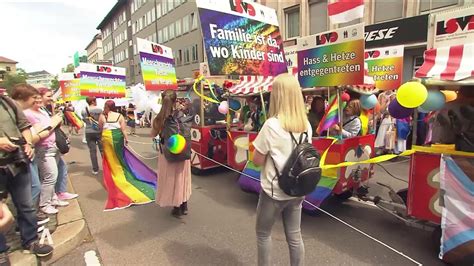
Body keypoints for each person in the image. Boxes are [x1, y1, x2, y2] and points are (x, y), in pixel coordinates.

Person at [251, 73, 309, 266]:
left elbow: (257, 160)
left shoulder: (271, 125)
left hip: (274, 192)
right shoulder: (306, 125)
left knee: (263, 235)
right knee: (294, 236)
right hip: (298, 190)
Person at [0, 94, 54, 261]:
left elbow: (24, 125)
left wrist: (28, 144)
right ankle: (2, 252)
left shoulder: (7, 102)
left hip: (16, 162)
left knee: (27, 205)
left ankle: (30, 240)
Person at [24, 89, 67, 215]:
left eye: (39, 98)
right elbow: (39, 131)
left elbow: (51, 125)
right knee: (50, 176)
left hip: (53, 146)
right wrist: (52, 123)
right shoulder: (27, 113)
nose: (38, 100)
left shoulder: (42, 111)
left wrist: (54, 120)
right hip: (43, 149)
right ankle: (44, 204)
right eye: (35, 98)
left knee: (53, 176)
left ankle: (53, 199)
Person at [151, 90, 192, 218]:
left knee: (171, 179)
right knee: (182, 178)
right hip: (183, 152)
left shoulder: (159, 118)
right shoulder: (182, 115)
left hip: (167, 154)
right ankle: (184, 204)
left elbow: (152, 134)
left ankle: (176, 207)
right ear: (175, 101)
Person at [39, 89, 78, 202]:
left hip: (53, 146)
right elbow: (47, 126)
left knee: (61, 168)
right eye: (48, 96)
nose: (51, 98)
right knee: (50, 176)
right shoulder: (34, 112)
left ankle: (59, 193)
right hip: (46, 148)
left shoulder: (44, 109)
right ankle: (46, 202)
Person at [81, 97, 103, 175]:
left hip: (88, 131)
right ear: (93, 101)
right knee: (102, 150)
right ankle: (106, 167)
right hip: (98, 131)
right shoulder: (99, 110)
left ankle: (95, 169)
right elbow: (102, 120)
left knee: (92, 151)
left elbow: (84, 120)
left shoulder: (84, 111)